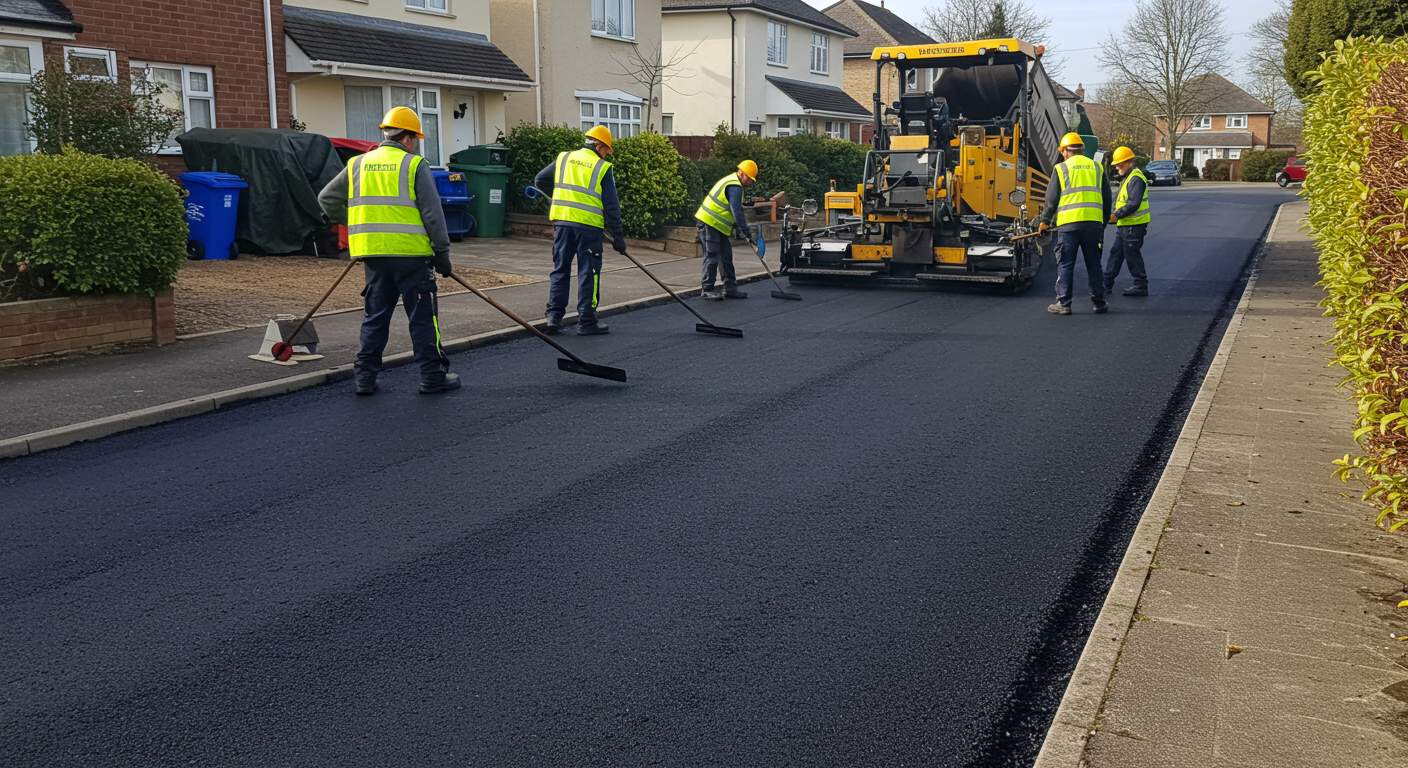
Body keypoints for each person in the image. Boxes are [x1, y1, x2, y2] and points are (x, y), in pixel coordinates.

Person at [318, 106, 458, 396]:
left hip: (373, 255)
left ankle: (365, 379)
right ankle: (432, 377)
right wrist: (442, 256)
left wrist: (356, 221)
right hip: (412, 257)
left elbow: (326, 198)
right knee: (422, 318)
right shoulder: (414, 165)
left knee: (375, 316)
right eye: (416, 138)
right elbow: (433, 215)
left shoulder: (357, 164)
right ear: (407, 138)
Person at [534, 125, 627, 335]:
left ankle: (553, 318)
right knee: (589, 272)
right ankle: (587, 321)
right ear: (599, 145)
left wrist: (561, 197)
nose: (606, 154)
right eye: (606, 150)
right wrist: (618, 237)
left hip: (562, 223)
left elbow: (540, 180)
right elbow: (611, 206)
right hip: (588, 227)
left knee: (560, 269)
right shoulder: (602, 167)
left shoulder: (564, 158)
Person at [1039, 133, 1113, 315]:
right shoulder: (1096, 167)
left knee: (1065, 264)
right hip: (1093, 225)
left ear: (1065, 151)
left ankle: (1064, 304)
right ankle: (1099, 302)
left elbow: (1051, 199)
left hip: (1069, 226)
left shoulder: (1061, 168)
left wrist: (1044, 221)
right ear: (1081, 150)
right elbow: (1107, 197)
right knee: (1094, 264)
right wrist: (1102, 223)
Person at [695, 160, 758, 300]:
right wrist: (746, 233)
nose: (751, 182)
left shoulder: (735, 184)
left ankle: (730, 288)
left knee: (726, 256)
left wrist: (737, 229)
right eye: (749, 178)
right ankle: (707, 289)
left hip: (718, 226)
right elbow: (737, 211)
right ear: (741, 173)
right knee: (712, 256)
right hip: (709, 223)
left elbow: (730, 211)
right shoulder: (735, 186)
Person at [1103, 146, 1151, 297]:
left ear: (1130, 162)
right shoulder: (1129, 177)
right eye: (1116, 164)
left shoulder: (1136, 178)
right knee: (1116, 253)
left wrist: (1117, 214)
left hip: (1134, 225)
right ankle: (1106, 284)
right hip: (1126, 224)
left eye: (1120, 164)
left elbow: (1133, 203)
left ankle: (1141, 285)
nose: (1117, 167)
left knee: (1132, 255)